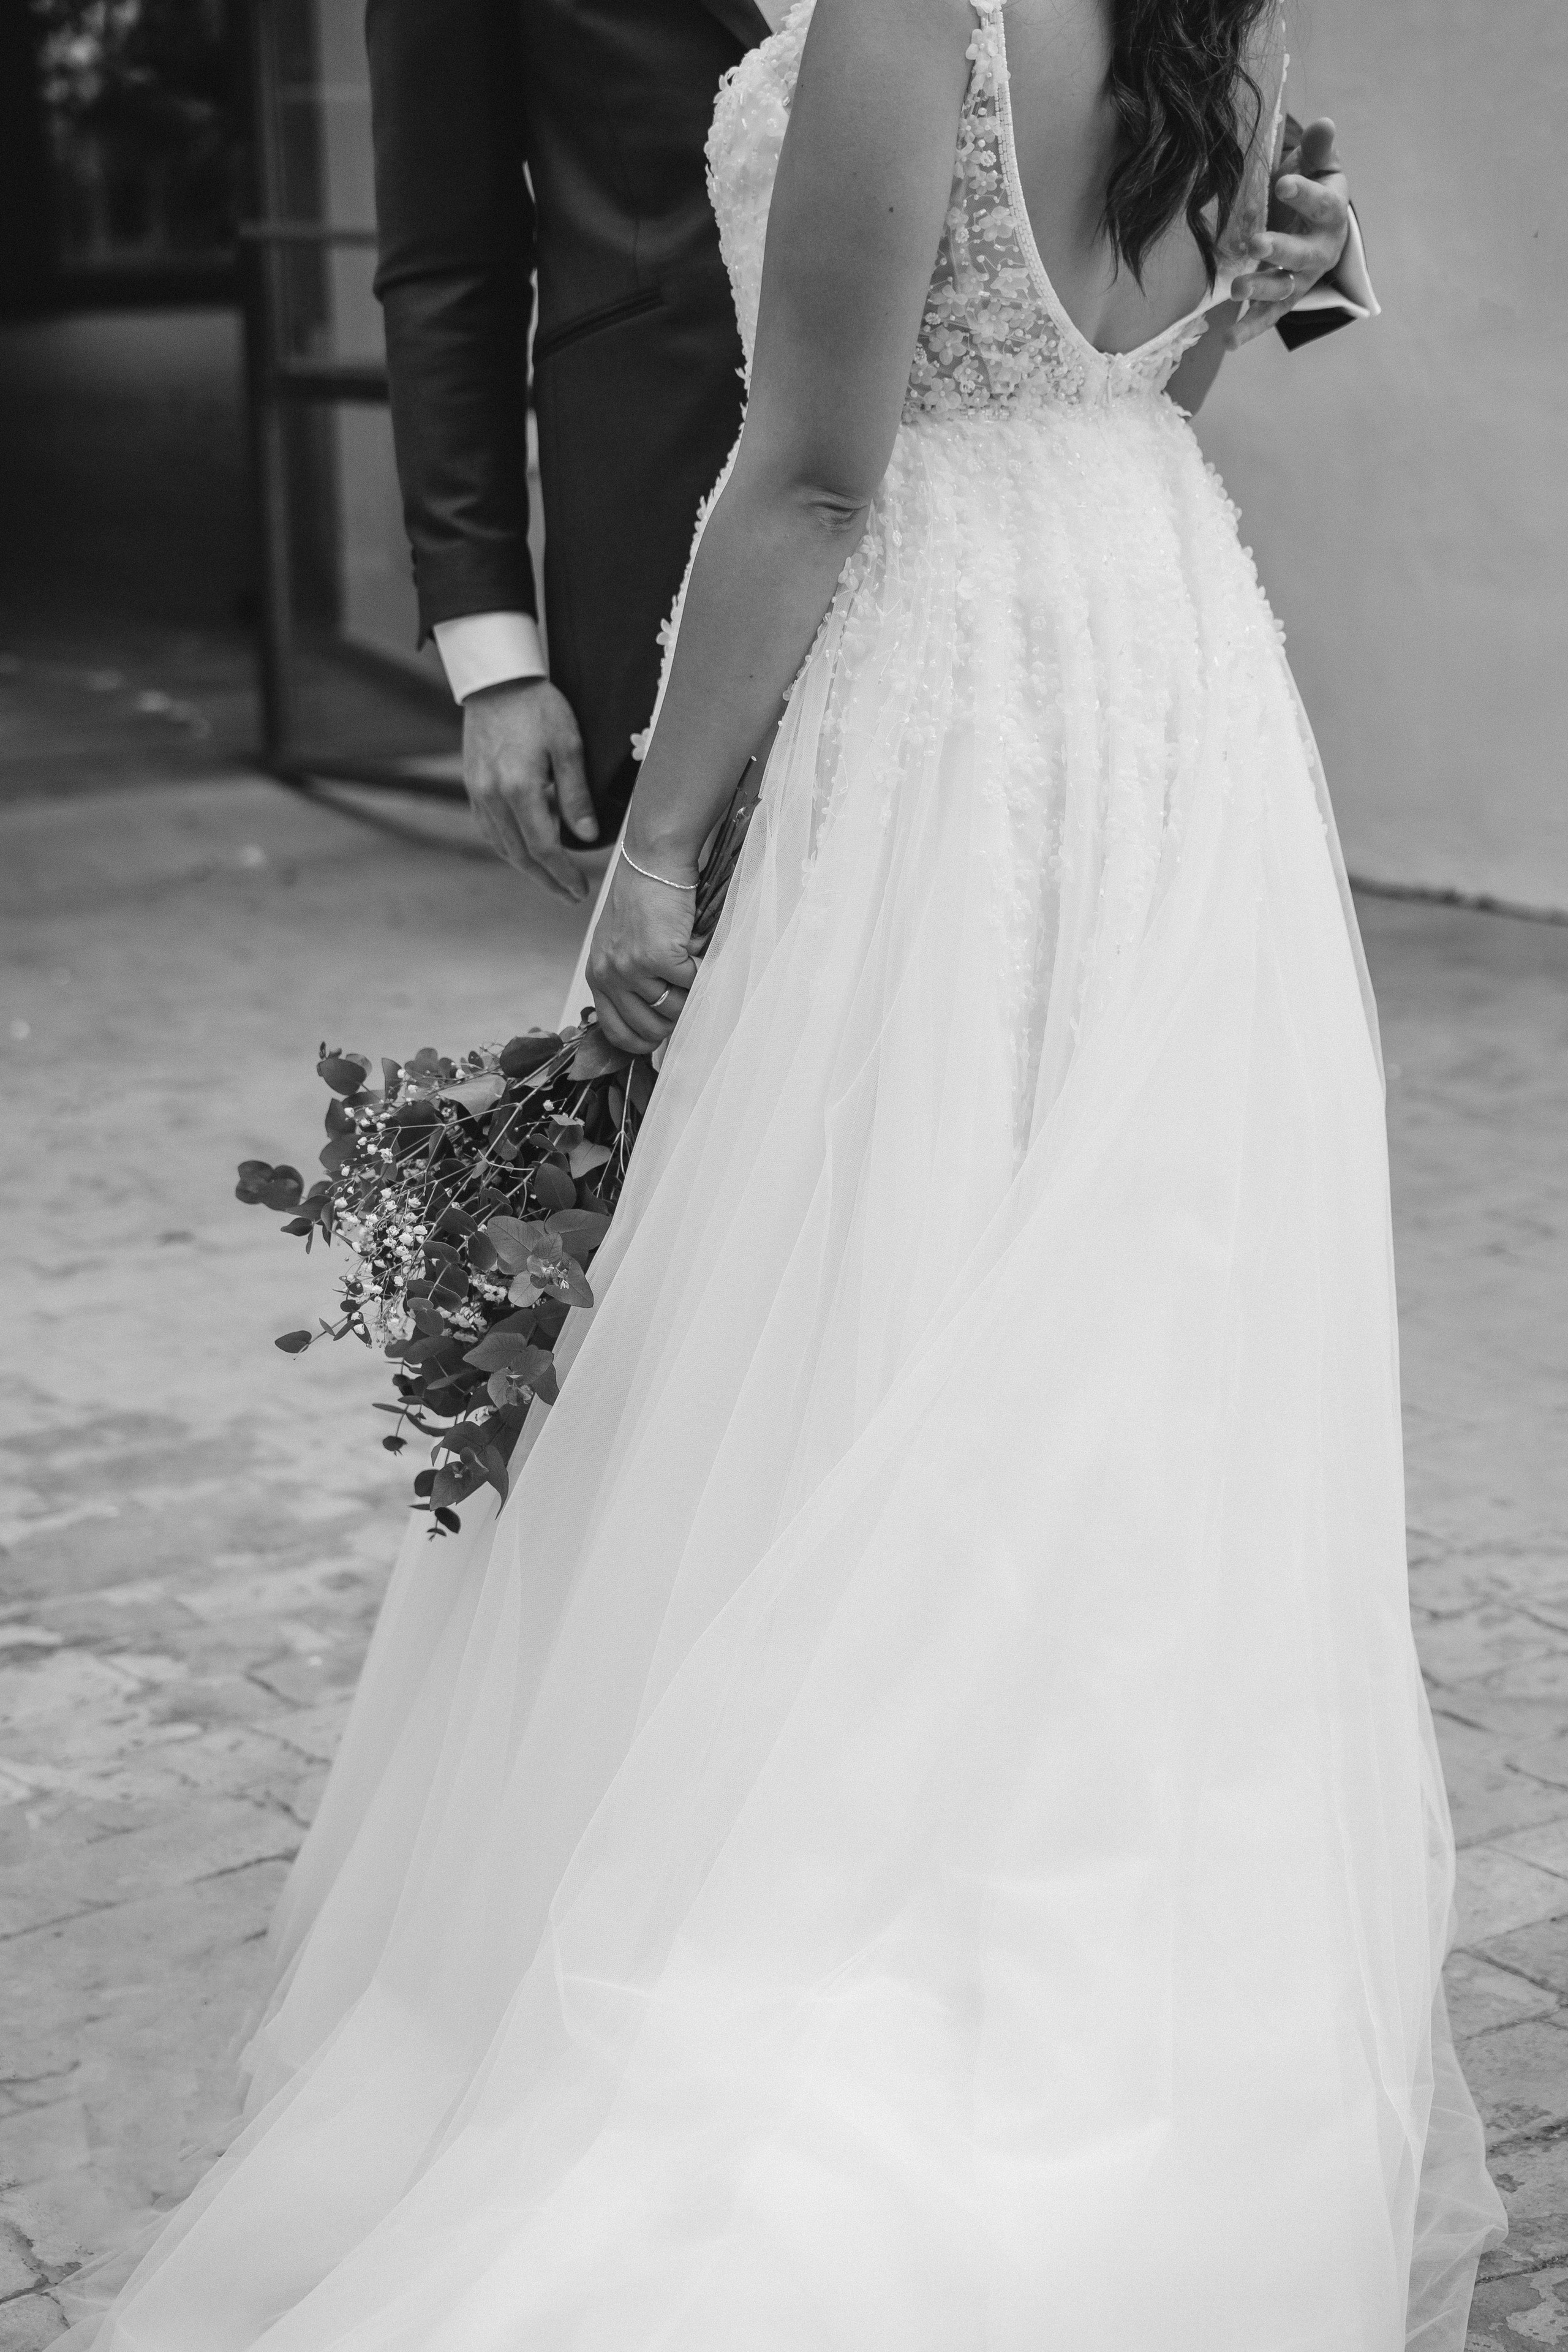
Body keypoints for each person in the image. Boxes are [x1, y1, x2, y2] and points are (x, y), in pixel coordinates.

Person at [80, 1, 1506, 2345]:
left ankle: (836, 1941)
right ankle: (1083, 1930)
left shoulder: (905, 16)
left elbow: (825, 471)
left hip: (938, 690)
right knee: (1102, 1346)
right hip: (1164, 682)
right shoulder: (1230, 7)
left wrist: (656, 865)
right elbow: (1156, 367)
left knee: (854, 1307)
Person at [366, 0, 1373, 903]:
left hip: (1009, 609)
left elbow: (1185, 117)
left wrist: (1310, 244)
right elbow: (449, 266)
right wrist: (491, 657)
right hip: (669, 529)